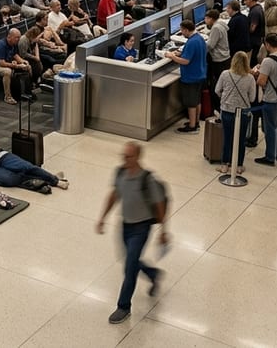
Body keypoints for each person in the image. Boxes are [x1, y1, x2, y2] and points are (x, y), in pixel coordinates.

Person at [95, 142, 169, 325]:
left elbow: (160, 206)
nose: (124, 159)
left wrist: (163, 231)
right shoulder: (120, 172)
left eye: (128, 156)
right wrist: (102, 217)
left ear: (137, 157)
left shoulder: (147, 180)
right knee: (130, 261)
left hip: (141, 228)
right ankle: (153, 274)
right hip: (125, 226)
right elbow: (114, 195)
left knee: (129, 268)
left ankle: (124, 306)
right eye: (123, 156)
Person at [215, 52, 256, 175]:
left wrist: (225, 98)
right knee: (241, 139)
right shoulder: (250, 78)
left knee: (227, 138)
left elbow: (217, 90)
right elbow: (252, 98)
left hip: (227, 110)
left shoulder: (225, 74)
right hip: (243, 112)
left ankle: (224, 164)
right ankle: (238, 165)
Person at [253, 33, 277, 166]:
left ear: (267, 45)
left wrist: (257, 73)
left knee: (271, 128)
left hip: (271, 99)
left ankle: (270, 157)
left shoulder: (268, 61)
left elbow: (262, 82)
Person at [166, 21, 207, 134]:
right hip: (200, 74)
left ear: (186, 30)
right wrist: (179, 53)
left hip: (191, 77)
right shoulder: (199, 38)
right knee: (197, 100)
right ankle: (196, 122)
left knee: (191, 102)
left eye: (182, 30)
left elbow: (185, 61)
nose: (182, 33)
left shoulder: (192, 42)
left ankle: (192, 126)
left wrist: (172, 56)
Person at [0, 28, 31, 105]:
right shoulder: (1, 45)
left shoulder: (13, 44)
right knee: (7, 71)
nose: (18, 39)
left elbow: (15, 55)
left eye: (19, 37)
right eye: (16, 37)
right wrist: (17, 66)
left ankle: (27, 90)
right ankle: (8, 97)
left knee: (28, 66)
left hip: (2, 64)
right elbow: (2, 63)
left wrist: (23, 61)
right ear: (9, 36)